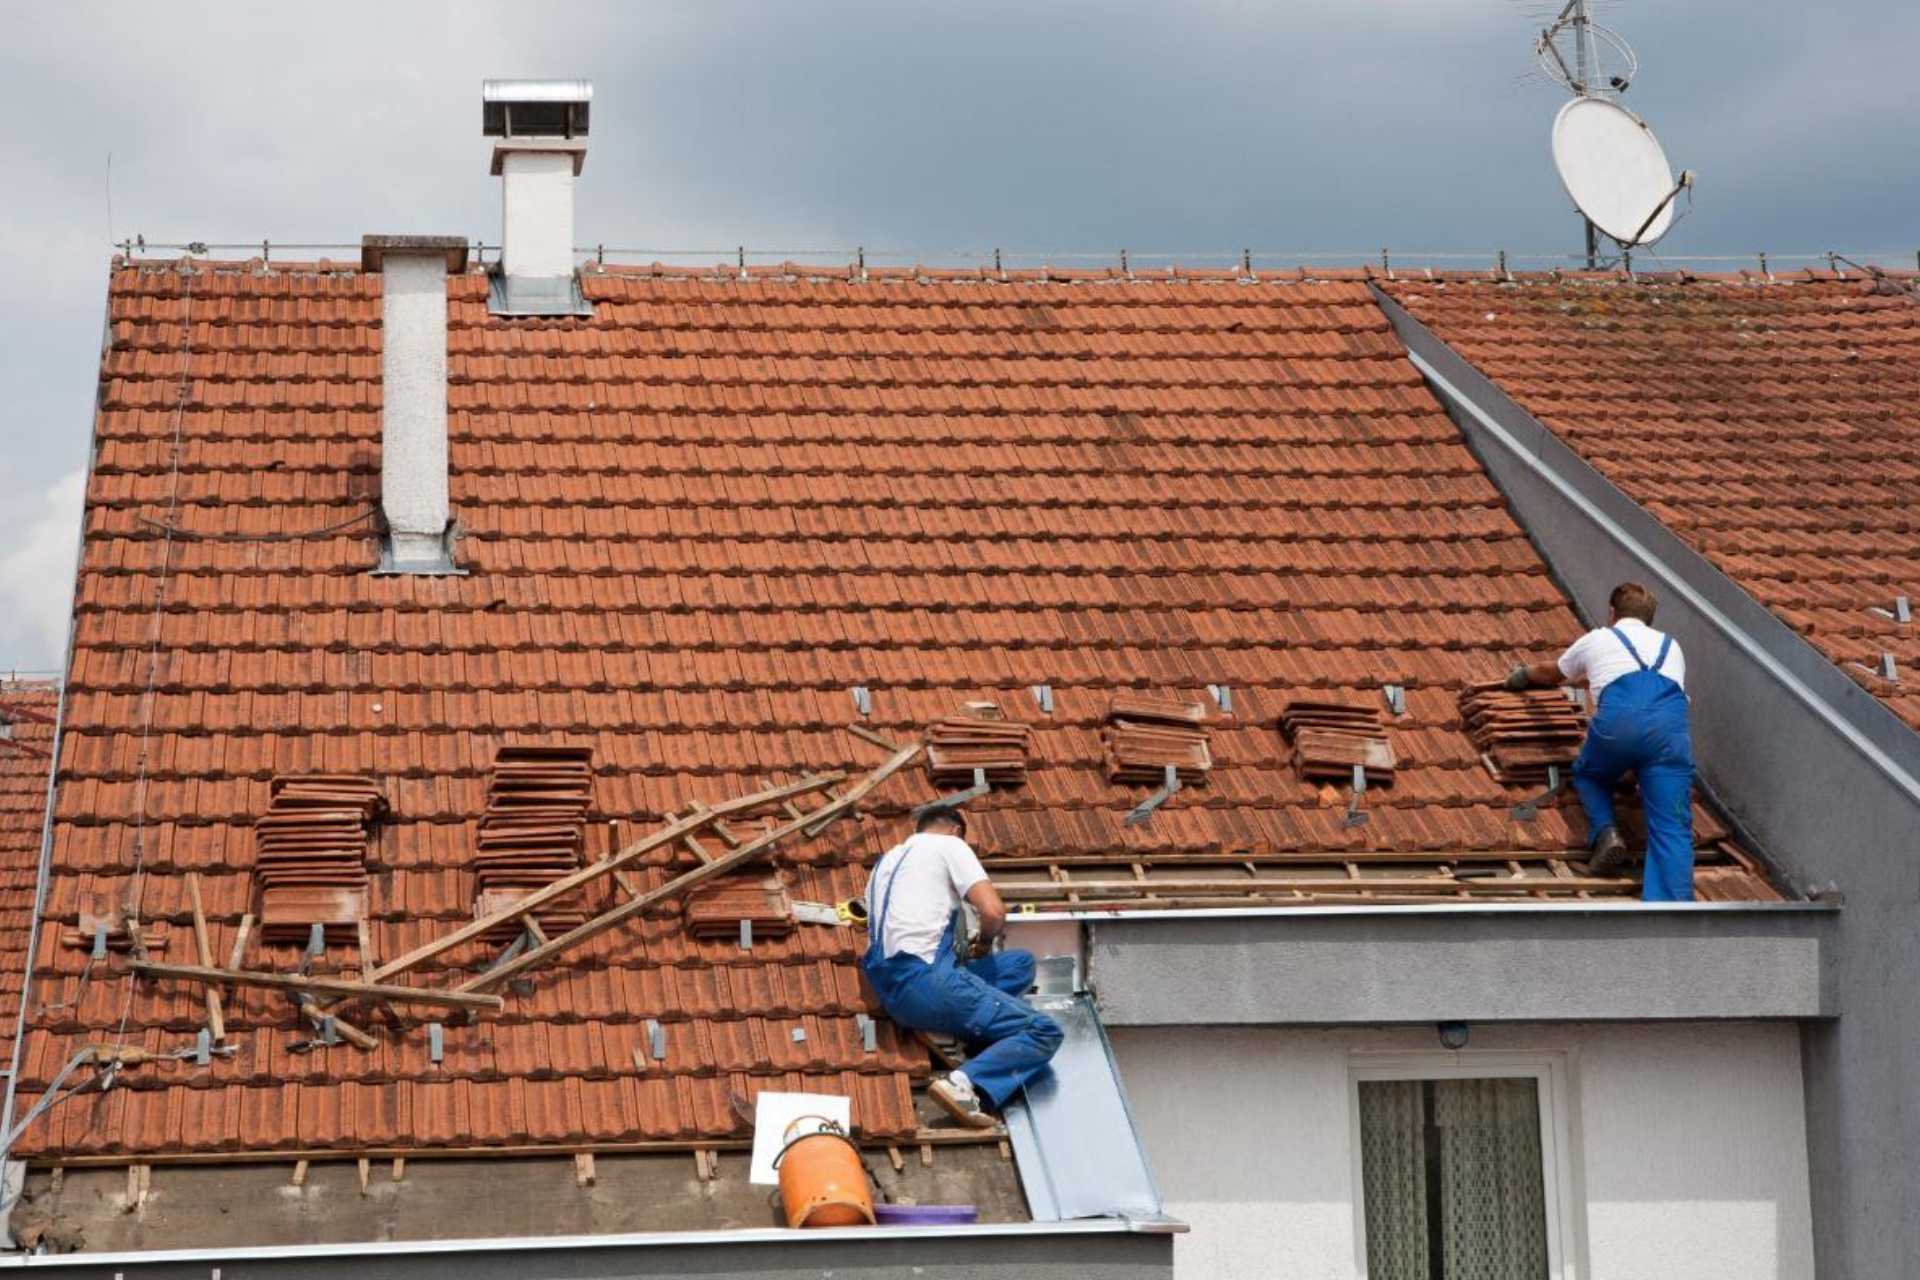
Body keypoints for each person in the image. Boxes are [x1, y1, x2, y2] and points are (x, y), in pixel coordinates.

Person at [860, 805, 1062, 1127]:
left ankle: (977, 1032)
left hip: (892, 988)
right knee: (1043, 1030)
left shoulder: (886, 861)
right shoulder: (950, 845)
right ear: (956, 830)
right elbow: (993, 912)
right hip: (929, 984)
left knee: (1019, 964)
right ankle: (963, 1083)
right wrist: (985, 941)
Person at [1504, 581, 1695, 901]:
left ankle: (1606, 831)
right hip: (1669, 735)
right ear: (1649, 618)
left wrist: (1523, 675)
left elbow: (1554, 673)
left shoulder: (1599, 638)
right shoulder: (1671, 646)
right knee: (1673, 827)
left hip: (1619, 727)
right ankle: (1673, 911)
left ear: (1612, 613)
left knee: (1588, 773)